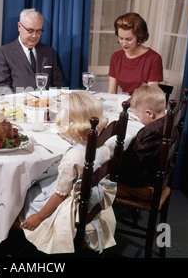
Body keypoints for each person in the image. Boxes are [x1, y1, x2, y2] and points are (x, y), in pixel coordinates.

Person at [20, 91, 117, 254]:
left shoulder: (74, 157)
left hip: (69, 202)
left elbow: (60, 194)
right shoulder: (104, 147)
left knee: (29, 192)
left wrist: (39, 217)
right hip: (90, 197)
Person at [0, 8, 64, 94]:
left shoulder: (49, 52)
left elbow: (58, 85)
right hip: (18, 105)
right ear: (19, 26)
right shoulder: (3, 53)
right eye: (30, 31)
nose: (34, 35)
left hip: (45, 104)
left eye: (39, 31)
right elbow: (1, 89)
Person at [118, 84, 166, 189]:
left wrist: (114, 158)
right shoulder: (168, 122)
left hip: (143, 181)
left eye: (138, 116)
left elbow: (135, 164)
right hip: (155, 172)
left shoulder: (152, 132)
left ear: (149, 113)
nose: (138, 119)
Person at [108, 12, 163, 95]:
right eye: (121, 38)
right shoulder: (116, 57)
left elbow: (151, 95)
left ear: (140, 38)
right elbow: (111, 91)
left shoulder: (154, 58)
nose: (124, 43)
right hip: (124, 104)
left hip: (144, 105)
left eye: (129, 39)